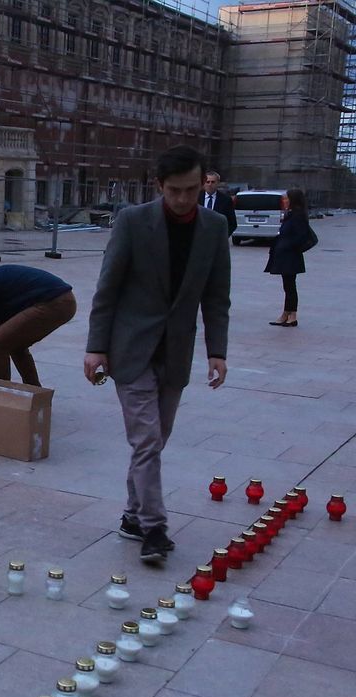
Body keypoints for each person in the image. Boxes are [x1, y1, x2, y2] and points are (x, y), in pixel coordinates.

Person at [84, 145, 231, 563]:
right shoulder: (133, 221)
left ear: (203, 182)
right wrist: (96, 347)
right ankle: (155, 529)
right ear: (158, 186)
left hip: (177, 351)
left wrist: (216, 351)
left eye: (190, 189)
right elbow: (107, 289)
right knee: (147, 439)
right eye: (173, 191)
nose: (183, 199)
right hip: (130, 349)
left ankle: (132, 516)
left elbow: (217, 296)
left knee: (155, 441)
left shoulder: (215, 227)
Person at [264, 188, 314, 327]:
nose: (284, 201)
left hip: (291, 257)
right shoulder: (290, 215)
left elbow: (301, 236)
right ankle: (286, 313)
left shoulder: (298, 216)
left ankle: (292, 315)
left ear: (293, 201)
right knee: (287, 285)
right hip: (284, 255)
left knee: (290, 286)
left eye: (286, 199)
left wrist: (287, 245)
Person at [199, 170, 237, 236]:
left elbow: (232, 223)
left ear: (218, 183)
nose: (210, 184)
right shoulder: (196, 198)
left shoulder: (226, 200)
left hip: (217, 238)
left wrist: (222, 237)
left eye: (213, 182)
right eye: (207, 182)